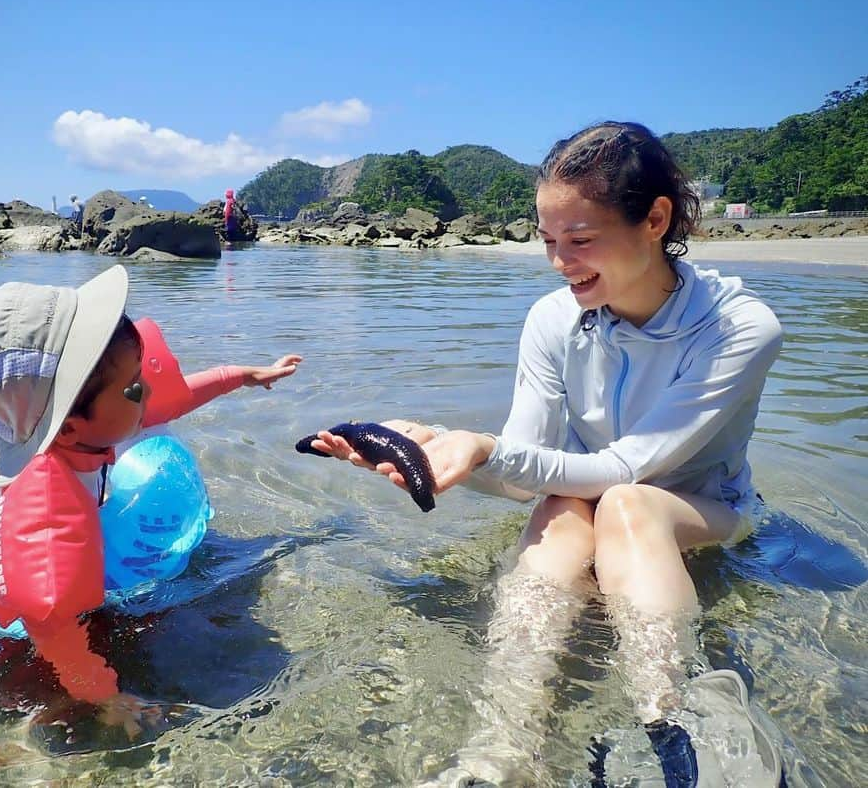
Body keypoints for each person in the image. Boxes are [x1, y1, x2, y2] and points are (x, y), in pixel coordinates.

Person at [313, 122, 783, 783]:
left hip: (707, 514)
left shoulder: (741, 330)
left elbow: (627, 468)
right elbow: (522, 472)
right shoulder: (552, 320)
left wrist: (483, 449)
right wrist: (435, 448)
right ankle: (502, 746)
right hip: (588, 501)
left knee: (625, 506)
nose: (560, 261)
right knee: (561, 510)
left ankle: (673, 723)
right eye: (548, 241)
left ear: (655, 218)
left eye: (581, 240)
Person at [0, 265, 301, 735]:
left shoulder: (79, 424)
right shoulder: (44, 492)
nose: (147, 392)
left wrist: (240, 375)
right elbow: (48, 618)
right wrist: (102, 694)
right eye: (135, 385)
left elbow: (169, 402)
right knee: (43, 672)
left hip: (35, 560)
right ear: (71, 425)